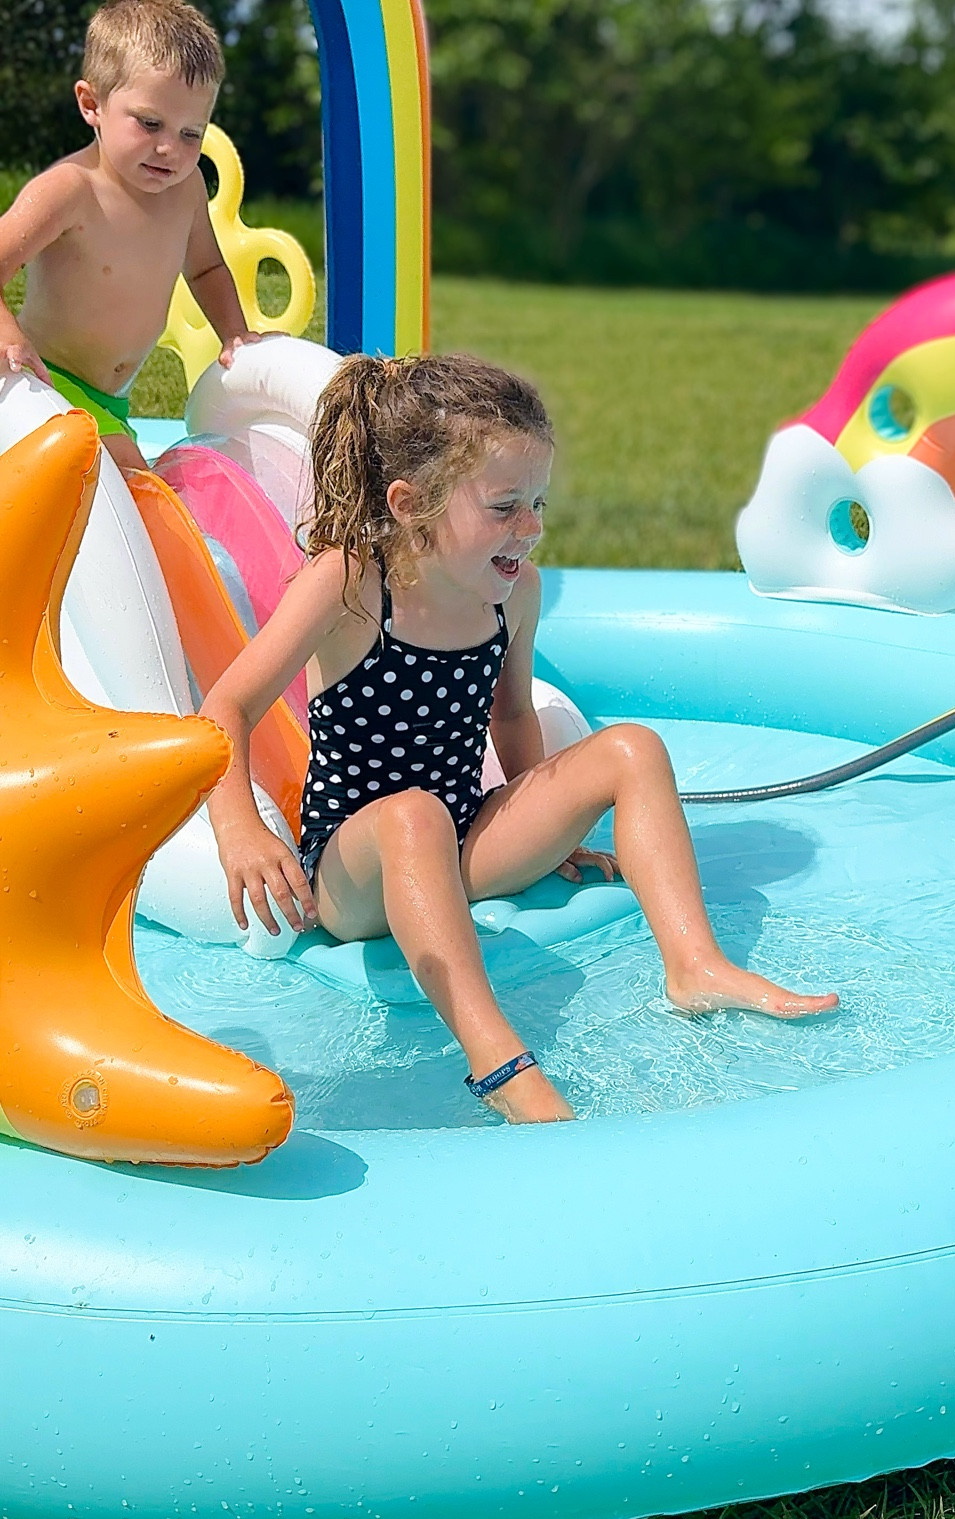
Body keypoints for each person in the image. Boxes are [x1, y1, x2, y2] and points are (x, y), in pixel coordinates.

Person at [201, 353, 839, 1125]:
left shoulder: (513, 593)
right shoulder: (350, 583)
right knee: (413, 816)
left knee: (632, 748)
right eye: (505, 506)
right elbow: (226, 706)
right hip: (357, 868)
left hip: (463, 832)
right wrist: (239, 830)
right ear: (411, 504)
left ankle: (696, 965)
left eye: (537, 502)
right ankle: (498, 1063)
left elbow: (508, 717)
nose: (531, 529)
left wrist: (549, 830)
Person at [0, 0, 261, 475]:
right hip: (42, 383)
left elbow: (205, 268)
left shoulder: (186, 191)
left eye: (190, 133)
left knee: (129, 492)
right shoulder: (71, 191)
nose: (170, 149)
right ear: (91, 104)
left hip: (112, 400)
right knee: (136, 488)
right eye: (150, 123)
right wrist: (6, 331)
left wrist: (236, 335)